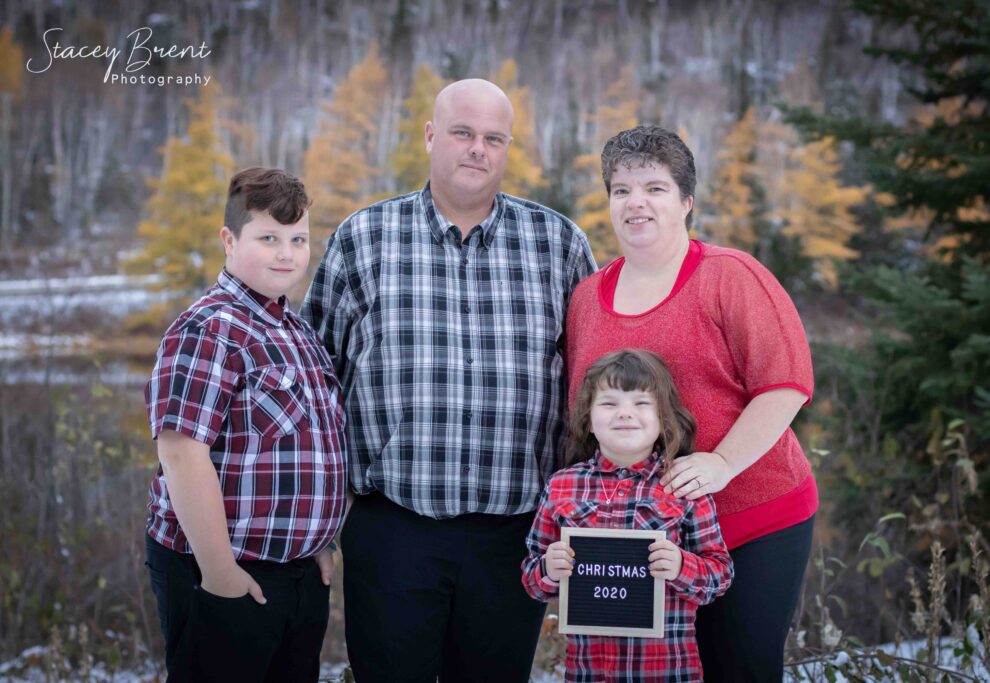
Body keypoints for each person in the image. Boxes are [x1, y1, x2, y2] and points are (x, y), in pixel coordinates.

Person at [302, 78, 596, 682]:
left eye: (493, 138)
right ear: (432, 136)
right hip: (393, 530)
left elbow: (590, 391)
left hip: (515, 533)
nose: (477, 150)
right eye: (463, 133)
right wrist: (317, 523)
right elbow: (317, 388)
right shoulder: (364, 239)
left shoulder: (559, 245)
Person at [565, 125, 817, 682]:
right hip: (646, 537)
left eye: (655, 188)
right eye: (621, 190)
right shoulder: (586, 299)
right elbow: (588, 416)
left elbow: (786, 384)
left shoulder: (729, 276)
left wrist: (722, 463)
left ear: (686, 202)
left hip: (750, 517)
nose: (636, 203)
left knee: (738, 666)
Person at [144, 167, 346, 682]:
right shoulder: (211, 327)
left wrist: (317, 541)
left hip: (295, 576)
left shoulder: (295, 330)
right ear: (229, 241)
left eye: (298, 239)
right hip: (223, 571)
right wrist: (219, 571)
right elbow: (181, 452)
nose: (286, 253)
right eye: (268, 238)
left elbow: (309, 445)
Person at [522, 349, 733, 682]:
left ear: (664, 418)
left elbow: (719, 576)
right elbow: (532, 579)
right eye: (608, 403)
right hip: (587, 672)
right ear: (588, 419)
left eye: (641, 403)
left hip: (666, 671)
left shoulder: (682, 485)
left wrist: (681, 566)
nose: (624, 413)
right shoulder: (562, 486)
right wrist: (549, 568)